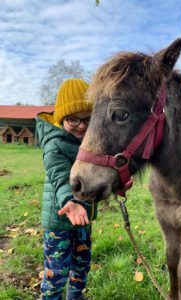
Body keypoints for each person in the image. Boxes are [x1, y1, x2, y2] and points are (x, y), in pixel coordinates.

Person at [36, 78, 97, 300]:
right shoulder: (54, 144)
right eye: (73, 119)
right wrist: (71, 201)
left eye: (87, 119)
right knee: (57, 271)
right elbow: (60, 176)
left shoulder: (90, 143)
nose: (81, 125)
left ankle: (76, 297)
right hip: (60, 218)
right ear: (62, 118)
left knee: (82, 266)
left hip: (83, 217)